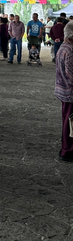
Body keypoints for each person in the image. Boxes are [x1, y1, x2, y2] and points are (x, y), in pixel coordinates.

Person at [55, 21, 73, 162]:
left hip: (62, 89)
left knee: (67, 120)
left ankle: (65, 148)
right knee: (70, 123)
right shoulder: (70, 50)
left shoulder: (63, 47)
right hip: (70, 92)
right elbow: (70, 73)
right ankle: (67, 150)